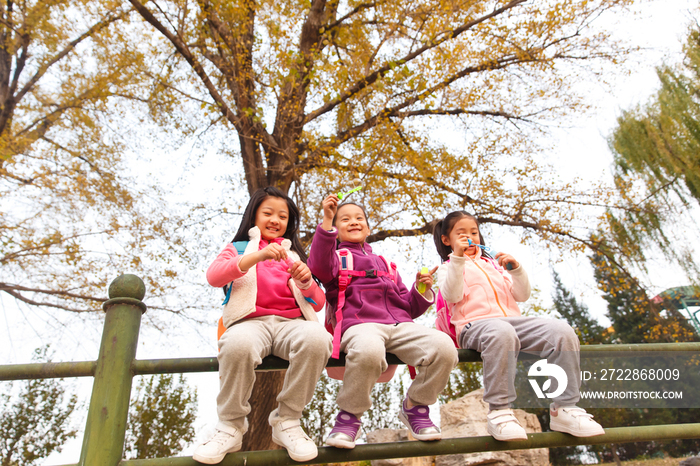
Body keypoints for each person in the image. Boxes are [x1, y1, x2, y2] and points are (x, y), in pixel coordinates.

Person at [433, 210, 605, 441]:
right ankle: (499, 412)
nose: (469, 237)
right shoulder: (449, 267)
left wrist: (516, 270)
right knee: (501, 332)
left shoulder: (493, 265)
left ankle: (564, 408)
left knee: (561, 331)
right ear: (447, 240)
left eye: (474, 232)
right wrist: (457, 258)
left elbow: (521, 295)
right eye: (461, 233)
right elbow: (452, 295)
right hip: (475, 326)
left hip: (514, 324)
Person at [193, 187, 332, 464]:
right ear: (253, 215)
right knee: (237, 344)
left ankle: (288, 420)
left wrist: (306, 280)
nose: (275, 220)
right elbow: (214, 276)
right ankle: (230, 426)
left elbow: (317, 303)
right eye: (267, 213)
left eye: (283, 216)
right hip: (249, 322)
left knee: (318, 338)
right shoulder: (240, 249)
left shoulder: (293, 255)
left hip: (290, 324)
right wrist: (257, 256)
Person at [308, 194, 458, 449]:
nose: (354, 222)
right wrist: (326, 221)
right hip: (359, 324)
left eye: (359, 218)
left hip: (399, 325)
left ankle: (416, 405)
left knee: (444, 347)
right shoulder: (336, 258)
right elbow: (319, 265)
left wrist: (420, 290)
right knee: (368, 350)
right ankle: (349, 417)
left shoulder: (387, 266)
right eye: (345, 219)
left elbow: (407, 307)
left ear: (367, 227)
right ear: (337, 228)